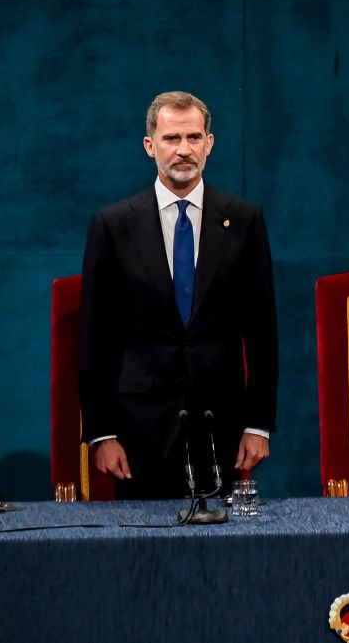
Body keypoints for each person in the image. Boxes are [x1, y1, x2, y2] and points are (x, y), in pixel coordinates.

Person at [80, 91, 278, 499]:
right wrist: (102, 432)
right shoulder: (113, 225)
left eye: (193, 137)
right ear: (150, 146)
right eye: (172, 139)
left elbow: (262, 330)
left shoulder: (243, 219)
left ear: (210, 143)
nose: (183, 150)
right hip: (137, 430)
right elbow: (96, 338)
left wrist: (257, 424)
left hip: (219, 425)